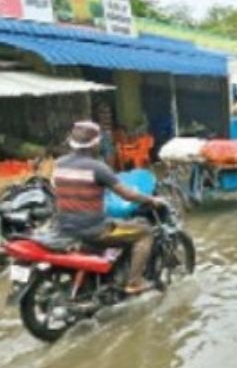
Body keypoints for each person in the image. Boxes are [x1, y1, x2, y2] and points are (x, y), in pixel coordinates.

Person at [52, 121, 166, 295]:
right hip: (94, 230)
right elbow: (127, 194)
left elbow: (59, 190)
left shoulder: (59, 164)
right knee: (145, 232)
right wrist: (151, 200)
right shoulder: (98, 167)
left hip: (64, 228)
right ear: (95, 143)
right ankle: (134, 282)